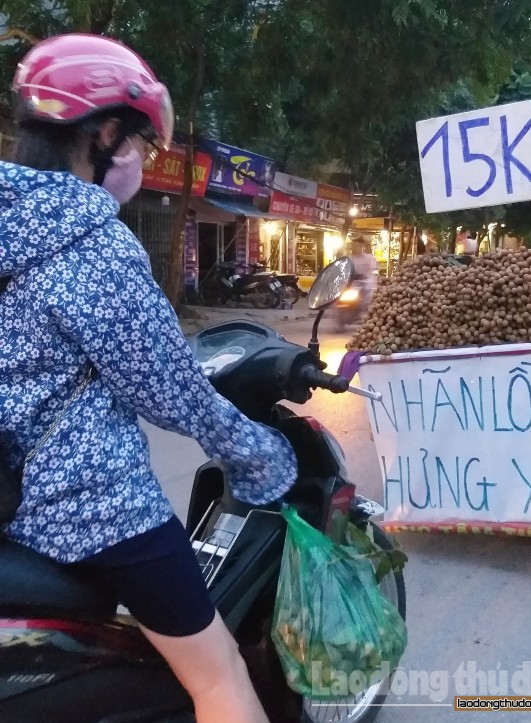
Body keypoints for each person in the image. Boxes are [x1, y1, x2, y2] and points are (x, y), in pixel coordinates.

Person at [0, 34, 294, 722]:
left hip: (5, 496)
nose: (135, 159)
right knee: (218, 674)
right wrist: (258, 456)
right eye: (134, 141)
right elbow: (172, 390)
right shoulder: (92, 246)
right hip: (88, 508)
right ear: (103, 135)